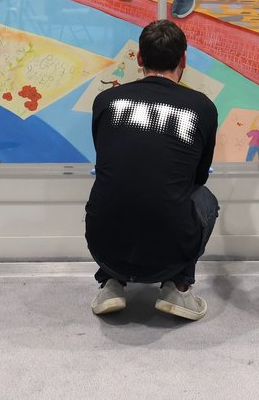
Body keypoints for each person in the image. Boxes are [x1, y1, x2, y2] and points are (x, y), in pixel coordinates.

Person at [85, 20, 219, 321]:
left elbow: (106, 157)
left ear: (139, 59)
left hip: (103, 245)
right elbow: (198, 178)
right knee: (205, 199)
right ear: (183, 60)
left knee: (117, 184)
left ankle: (110, 283)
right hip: (170, 248)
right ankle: (179, 286)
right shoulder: (202, 108)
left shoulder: (105, 101)